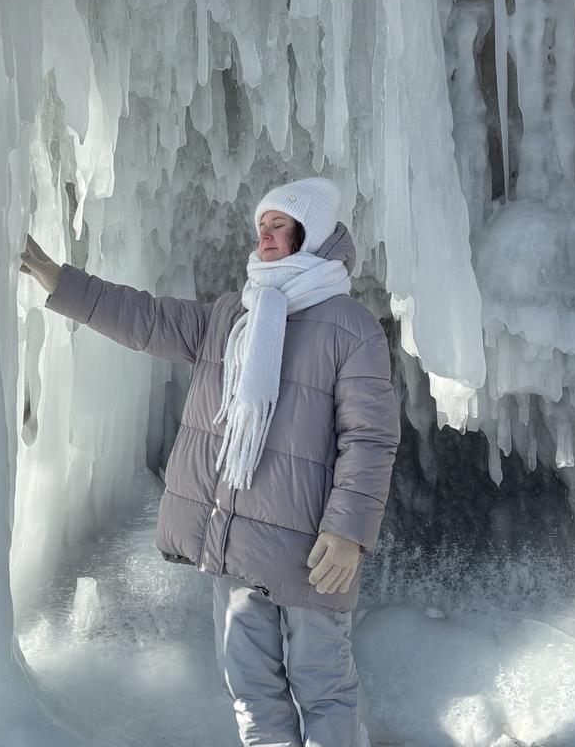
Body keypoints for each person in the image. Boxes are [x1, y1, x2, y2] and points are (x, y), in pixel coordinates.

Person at [20, 177, 399, 747]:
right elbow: (143, 318)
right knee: (250, 690)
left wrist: (348, 533)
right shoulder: (232, 319)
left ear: (310, 234)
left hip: (310, 553)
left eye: (278, 225)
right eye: (261, 226)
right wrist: (59, 279)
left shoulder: (350, 327)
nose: (265, 235)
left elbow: (369, 439)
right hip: (236, 548)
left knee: (323, 687)